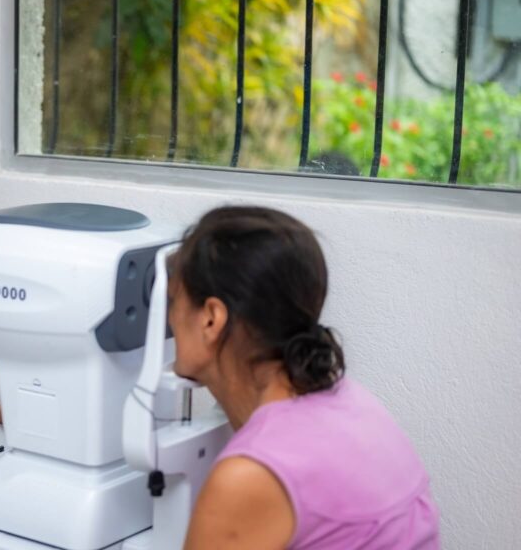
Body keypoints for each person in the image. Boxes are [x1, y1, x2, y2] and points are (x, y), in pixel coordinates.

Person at [167, 206, 439, 549]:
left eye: (174, 301)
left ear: (211, 319)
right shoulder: (356, 405)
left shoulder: (250, 475)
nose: (170, 319)